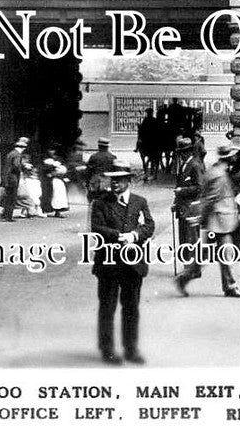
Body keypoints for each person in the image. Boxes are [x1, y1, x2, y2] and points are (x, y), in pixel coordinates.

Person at [89, 170, 154, 365]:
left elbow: (149, 225)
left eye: (119, 180)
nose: (115, 183)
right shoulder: (100, 203)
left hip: (133, 264)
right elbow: (97, 227)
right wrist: (119, 236)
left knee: (131, 307)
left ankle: (131, 349)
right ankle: (107, 349)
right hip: (109, 263)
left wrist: (134, 236)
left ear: (128, 181)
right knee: (107, 307)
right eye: (112, 180)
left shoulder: (139, 202)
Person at [176, 145, 240, 298]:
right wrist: (200, 218)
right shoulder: (219, 175)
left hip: (219, 220)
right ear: (228, 158)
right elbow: (210, 199)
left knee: (212, 255)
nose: (236, 159)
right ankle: (229, 286)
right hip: (218, 221)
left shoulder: (218, 171)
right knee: (221, 253)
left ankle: (187, 278)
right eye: (234, 156)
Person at [0, 137, 27, 221]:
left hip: (7, 178)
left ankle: (5, 214)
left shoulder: (11, 153)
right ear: (22, 148)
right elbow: (16, 166)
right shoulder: (17, 154)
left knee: (7, 197)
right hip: (13, 179)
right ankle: (9, 217)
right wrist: (23, 168)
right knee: (12, 198)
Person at [136, 108, 161, 181]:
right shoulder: (155, 120)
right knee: (155, 159)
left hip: (147, 140)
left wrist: (140, 127)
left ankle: (137, 148)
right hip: (154, 140)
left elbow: (142, 130)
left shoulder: (146, 120)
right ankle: (153, 173)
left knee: (139, 140)